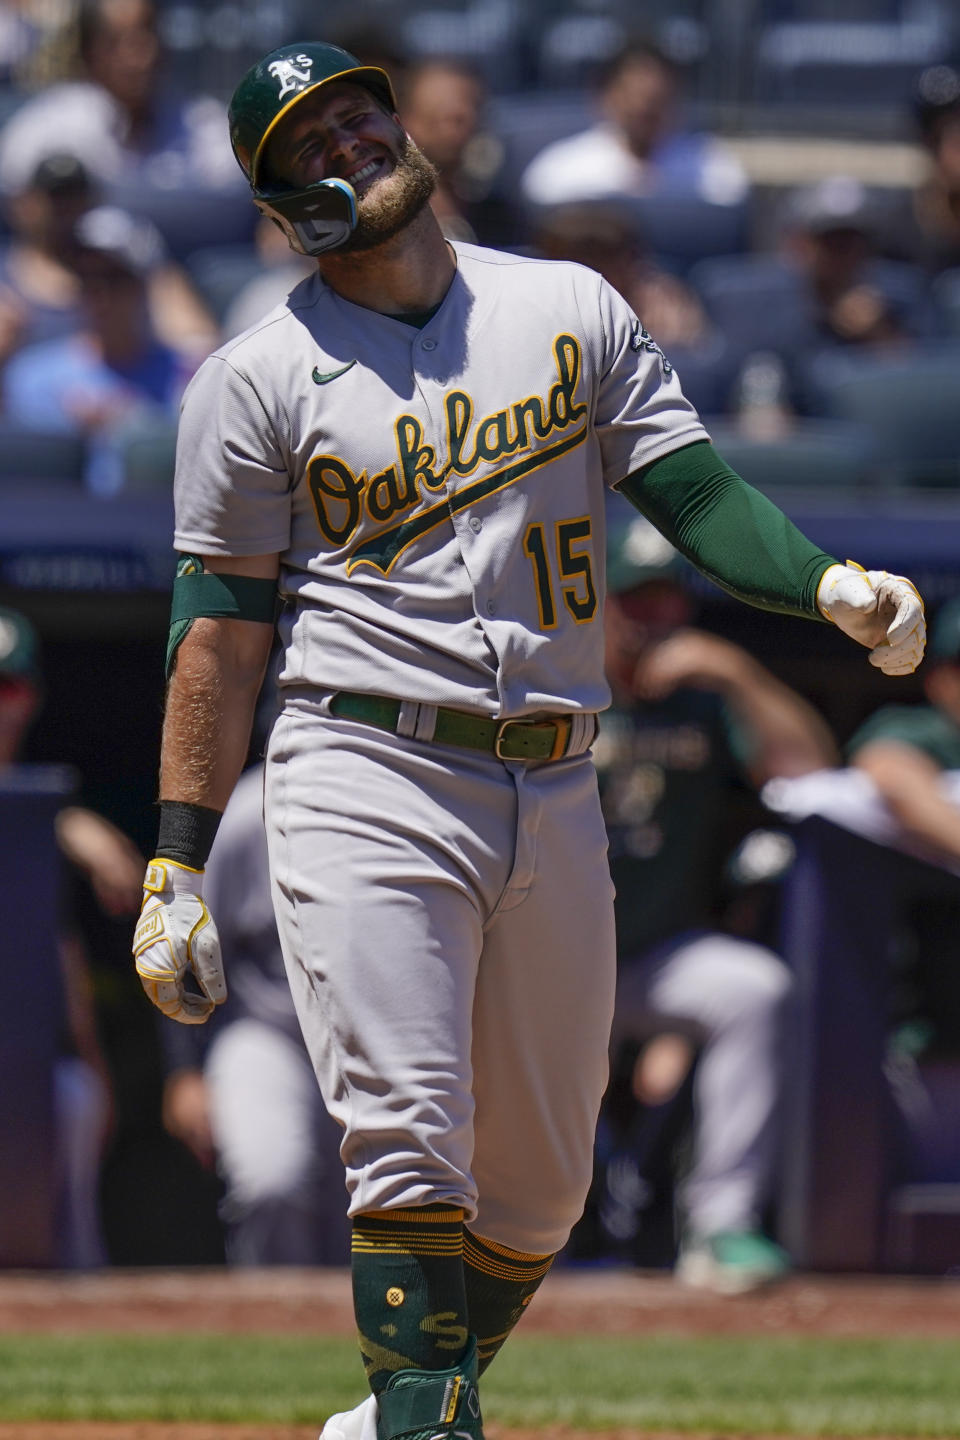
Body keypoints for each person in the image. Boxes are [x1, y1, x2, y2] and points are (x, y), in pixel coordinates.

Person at [129, 39, 925, 1440]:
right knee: (411, 1137)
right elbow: (220, 634)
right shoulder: (252, 380)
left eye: (359, 112)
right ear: (278, 204)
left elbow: (692, 490)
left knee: (546, 1185)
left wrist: (823, 585)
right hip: (364, 761)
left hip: (558, 772)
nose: (353, 140)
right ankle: (434, 1424)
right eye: (312, 141)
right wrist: (179, 861)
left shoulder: (565, 303)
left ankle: (396, 1416)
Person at [590, 512, 838, 1293]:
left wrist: (736, 672)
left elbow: (814, 772)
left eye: (667, 601)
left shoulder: (704, 703)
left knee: (754, 991)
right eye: (635, 601)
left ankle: (721, 1226)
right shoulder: (554, 686)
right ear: (595, 600)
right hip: (551, 955)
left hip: (659, 954)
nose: (653, 619)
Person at [161, 759, 351, 1265]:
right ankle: (276, 1333)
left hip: (372, 1045)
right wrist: (184, 1070)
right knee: (271, 1184)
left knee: (372, 1215)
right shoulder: (249, 811)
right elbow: (184, 945)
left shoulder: (403, 800)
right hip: (269, 1034)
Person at [0, 604, 145, 1266]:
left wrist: (90, 1054)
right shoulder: (51, 818)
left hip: (32, 1064)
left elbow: (56, 947)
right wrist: (67, 826)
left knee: (74, 1098)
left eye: (8, 687)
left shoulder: (49, 805)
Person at [2, 204, 195, 493]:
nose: (100, 296)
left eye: (114, 279)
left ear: (143, 286)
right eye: (87, 281)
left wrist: (126, 424)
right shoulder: (29, 377)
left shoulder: (187, 379)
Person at [519, 37, 748, 211]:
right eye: (633, 97)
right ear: (604, 97)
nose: (644, 109)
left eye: (656, 99)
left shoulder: (714, 168)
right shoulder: (559, 171)